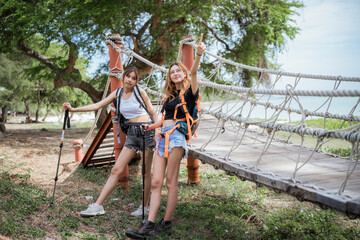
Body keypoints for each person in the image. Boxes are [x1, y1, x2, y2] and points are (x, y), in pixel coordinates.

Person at [125, 35, 206, 238]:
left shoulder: (190, 92)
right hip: (162, 137)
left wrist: (198, 54)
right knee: (155, 182)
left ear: (184, 73)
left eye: (178, 70)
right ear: (169, 77)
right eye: (172, 72)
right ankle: (149, 224)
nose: (176, 73)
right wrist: (151, 126)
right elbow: (164, 118)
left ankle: (167, 222)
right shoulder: (169, 97)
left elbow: (194, 71)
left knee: (171, 183)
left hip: (177, 139)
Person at [63, 67, 158, 217]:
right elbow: (98, 105)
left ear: (136, 81)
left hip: (148, 131)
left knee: (146, 172)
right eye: (128, 76)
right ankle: (97, 206)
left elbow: (153, 113)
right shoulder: (118, 93)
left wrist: (157, 132)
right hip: (132, 134)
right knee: (116, 170)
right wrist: (74, 109)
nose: (130, 80)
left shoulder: (140, 92)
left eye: (133, 78)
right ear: (123, 76)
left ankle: (144, 207)